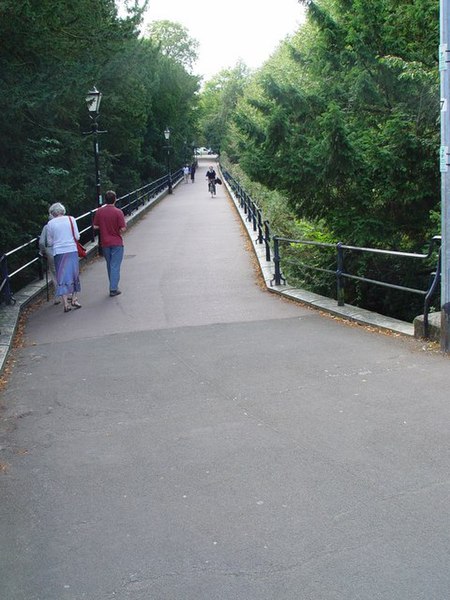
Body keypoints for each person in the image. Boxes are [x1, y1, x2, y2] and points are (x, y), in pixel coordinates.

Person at [46, 203, 82, 313]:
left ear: (53, 213)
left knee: (61, 276)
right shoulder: (71, 219)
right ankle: (74, 299)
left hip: (59, 252)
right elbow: (77, 236)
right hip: (71, 249)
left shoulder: (50, 224)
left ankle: (65, 303)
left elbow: (49, 241)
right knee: (74, 274)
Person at [93, 190, 127, 297]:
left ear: (105, 200)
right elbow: (122, 229)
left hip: (105, 242)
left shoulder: (99, 211)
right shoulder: (118, 212)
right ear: (115, 199)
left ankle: (113, 285)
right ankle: (113, 288)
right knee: (115, 265)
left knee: (109, 265)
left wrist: (104, 227)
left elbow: (95, 226)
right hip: (116, 242)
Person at [39, 214, 59, 304]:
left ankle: (58, 295)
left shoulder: (46, 227)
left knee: (54, 273)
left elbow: (42, 242)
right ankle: (68, 293)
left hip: (50, 251)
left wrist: (43, 251)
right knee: (63, 270)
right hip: (61, 249)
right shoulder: (60, 225)